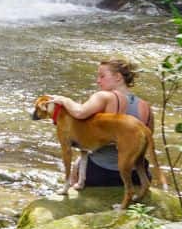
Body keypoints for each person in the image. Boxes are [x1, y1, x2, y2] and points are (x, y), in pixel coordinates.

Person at [47, 58, 153, 187]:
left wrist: (64, 100)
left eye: (102, 76)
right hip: (136, 174)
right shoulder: (146, 106)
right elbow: (146, 141)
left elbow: (79, 112)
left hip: (102, 173)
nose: (98, 81)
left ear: (118, 77)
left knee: (78, 163)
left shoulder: (103, 96)